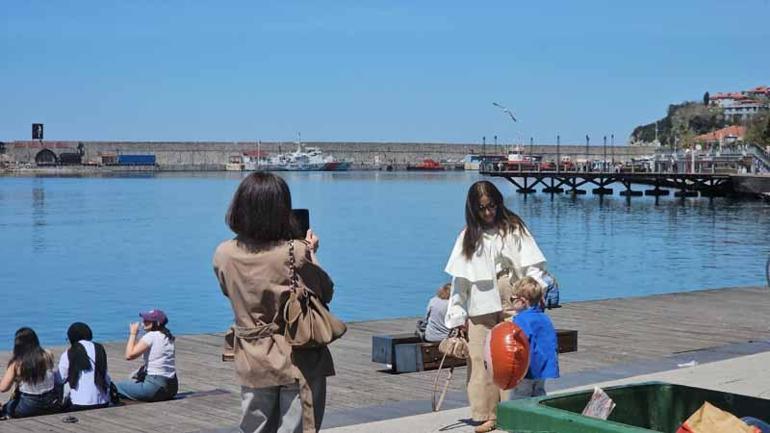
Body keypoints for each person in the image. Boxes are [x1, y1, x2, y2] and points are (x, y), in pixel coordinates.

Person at [213, 172, 335, 433]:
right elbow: (324, 293)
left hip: (251, 355)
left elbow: (229, 291)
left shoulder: (224, 253)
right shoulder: (295, 251)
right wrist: (311, 253)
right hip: (296, 355)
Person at [444, 180, 550, 433]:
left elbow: (534, 266)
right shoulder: (467, 237)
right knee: (479, 359)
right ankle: (486, 414)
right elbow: (459, 281)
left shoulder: (514, 229)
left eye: (491, 206)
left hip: (512, 299)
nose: (488, 212)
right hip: (479, 304)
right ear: (473, 209)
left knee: (512, 356)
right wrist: (457, 316)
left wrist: (533, 290)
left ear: (498, 203)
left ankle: (512, 411)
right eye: (482, 208)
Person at [506, 277, 559, 399]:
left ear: (522, 301)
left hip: (526, 369)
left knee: (519, 397)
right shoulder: (544, 318)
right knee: (539, 393)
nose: (511, 302)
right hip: (542, 368)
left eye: (513, 299)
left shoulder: (520, 320)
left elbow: (516, 345)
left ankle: (519, 418)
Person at [115, 309, 178, 402]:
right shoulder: (168, 337)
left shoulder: (151, 336)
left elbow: (129, 355)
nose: (143, 322)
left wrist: (133, 334)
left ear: (156, 323)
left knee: (115, 386)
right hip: (172, 388)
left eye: (147, 320)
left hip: (155, 388)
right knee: (137, 374)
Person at [0, 327, 62, 418]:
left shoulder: (17, 363)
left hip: (28, 406)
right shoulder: (48, 354)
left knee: (6, 408)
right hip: (51, 403)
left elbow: (3, 388)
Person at [58, 322, 112, 411]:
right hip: (102, 403)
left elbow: (60, 378)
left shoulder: (69, 352)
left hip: (78, 405)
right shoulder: (100, 348)